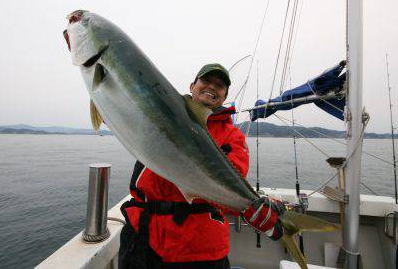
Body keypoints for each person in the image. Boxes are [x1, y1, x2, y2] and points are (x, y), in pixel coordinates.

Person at [119, 64, 284, 269]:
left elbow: (229, 187)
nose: (212, 87)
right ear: (192, 85)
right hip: (144, 236)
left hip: (200, 246)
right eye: (206, 81)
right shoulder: (161, 111)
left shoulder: (232, 137)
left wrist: (253, 206)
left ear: (224, 97)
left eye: (220, 85)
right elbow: (121, 109)